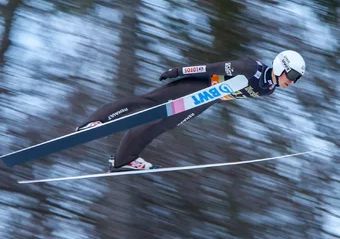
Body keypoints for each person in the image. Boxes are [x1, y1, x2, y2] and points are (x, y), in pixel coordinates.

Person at [76, 50, 306, 172]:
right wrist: (178, 71)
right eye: (293, 76)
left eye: (297, 79)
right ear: (280, 66)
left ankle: (122, 160)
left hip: (206, 100)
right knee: (147, 102)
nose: (292, 82)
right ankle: (95, 121)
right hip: (198, 85)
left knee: (160, 125)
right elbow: (211, 68)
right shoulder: (251, 68)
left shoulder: (268, 89)